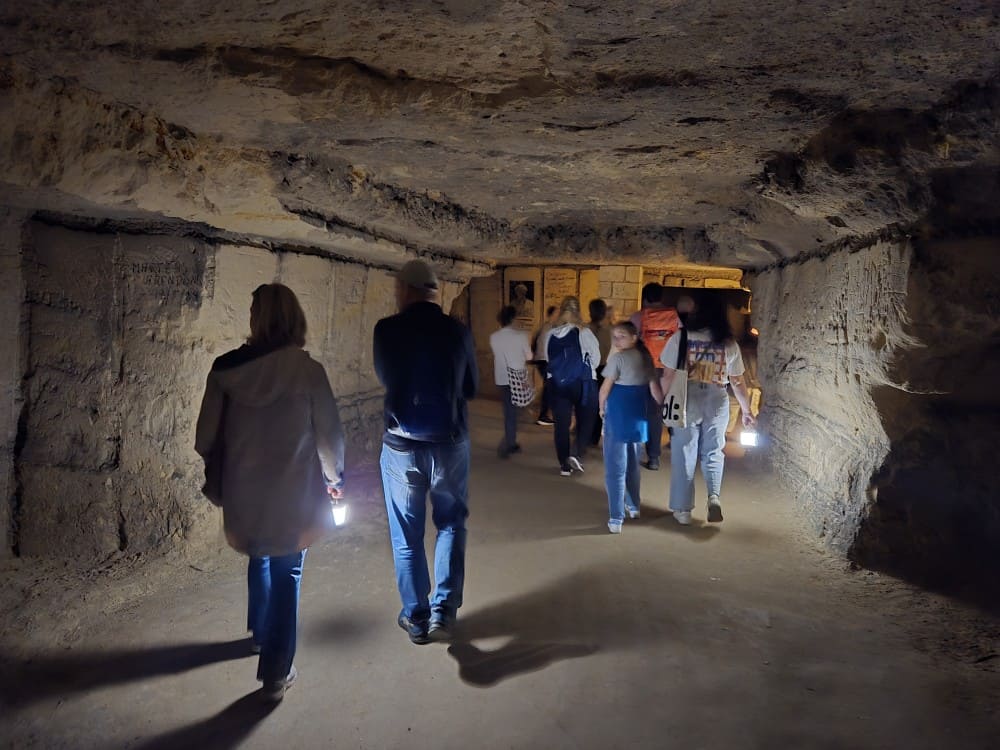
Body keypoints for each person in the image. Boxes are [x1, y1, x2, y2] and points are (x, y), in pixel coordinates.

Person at [195, 283, 345, 701]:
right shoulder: (308, 372)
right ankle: (276, 671)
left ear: (255, 319)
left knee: (259, 553)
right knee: (287, 571)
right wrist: (334, 481)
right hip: (293, 497)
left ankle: (260, 633)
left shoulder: (225, 370)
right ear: (296, 318)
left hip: (246, 495)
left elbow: (204, 437)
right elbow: (330, 439)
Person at [373, 259, 478, 645]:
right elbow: (470, 387)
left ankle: (416, 617)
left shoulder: (386, 330)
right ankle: (444, 612)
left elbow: (386, 377)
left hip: (402, 445)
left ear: (407, 290)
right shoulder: (458, 332)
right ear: (436, 292)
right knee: (451, 523)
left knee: (407, 535)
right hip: (450, 443)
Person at [659, 293, 755, 525]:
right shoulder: (729, 343)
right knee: (714, 450)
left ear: (697, 312)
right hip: (717, 397)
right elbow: (738, 381)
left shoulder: (681, 338)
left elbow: (668, 375)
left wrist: (664, 401)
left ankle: (683, 510)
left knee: (685, 452)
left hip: (688, 396)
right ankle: (713, 497)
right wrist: (747, 411)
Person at [599, 322, 663, 533]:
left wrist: (601, 409)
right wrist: (661, 410)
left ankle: (616, 518)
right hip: (638, 418)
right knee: (633, 466)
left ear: (634, 337)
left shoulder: (617, 359)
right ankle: (634, 505)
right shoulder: (646, 359)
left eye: (621, 336)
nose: (617, 340)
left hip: (617, 417)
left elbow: (605, 389)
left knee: (615, 470)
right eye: (615, 337)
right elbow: (655, 391)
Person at [544, 296, 600, 476]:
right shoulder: (584, 332)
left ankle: (564, 465)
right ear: (578, 311)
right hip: (583, 383)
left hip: (558, 383)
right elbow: (596, 360)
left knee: (561, 425)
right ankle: (576, 453)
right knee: (587, 420)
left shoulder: (551, 334)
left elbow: (548, 359)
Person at [631, 283, 680, 470]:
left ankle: (636, 450)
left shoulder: (639, 316)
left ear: (644, 298)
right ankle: (654, 457)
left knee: (641, 410)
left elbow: (630, 342)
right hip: (667, 368)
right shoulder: (674, 317)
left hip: (644, 368)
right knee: (659, 411)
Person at [489, 305, 533, 458]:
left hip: (502, 377)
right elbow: (529, 357)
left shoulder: (494, 337)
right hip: (518, 378)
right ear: (513, 319)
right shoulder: (520, 336)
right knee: (518, 411)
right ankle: (508, 444)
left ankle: (510, 441)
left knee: (509, 411)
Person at [587, 298, 613, 445]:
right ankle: (594, 437)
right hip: (603, 369)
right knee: (599, 405)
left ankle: (584, 432)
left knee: (585, 403)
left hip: (588, 369)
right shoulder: (609, 330)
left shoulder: (585, 329)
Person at [532, 305, 559, 425]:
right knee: (549, 388)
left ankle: (547, 414)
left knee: (550, 387)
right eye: (558, 313)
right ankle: (543, 416)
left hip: (542, 360)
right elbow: (547, 347)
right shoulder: (549, 329)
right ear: (553, 315)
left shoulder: (546, 327)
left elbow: (534, 342)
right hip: (545, 361)